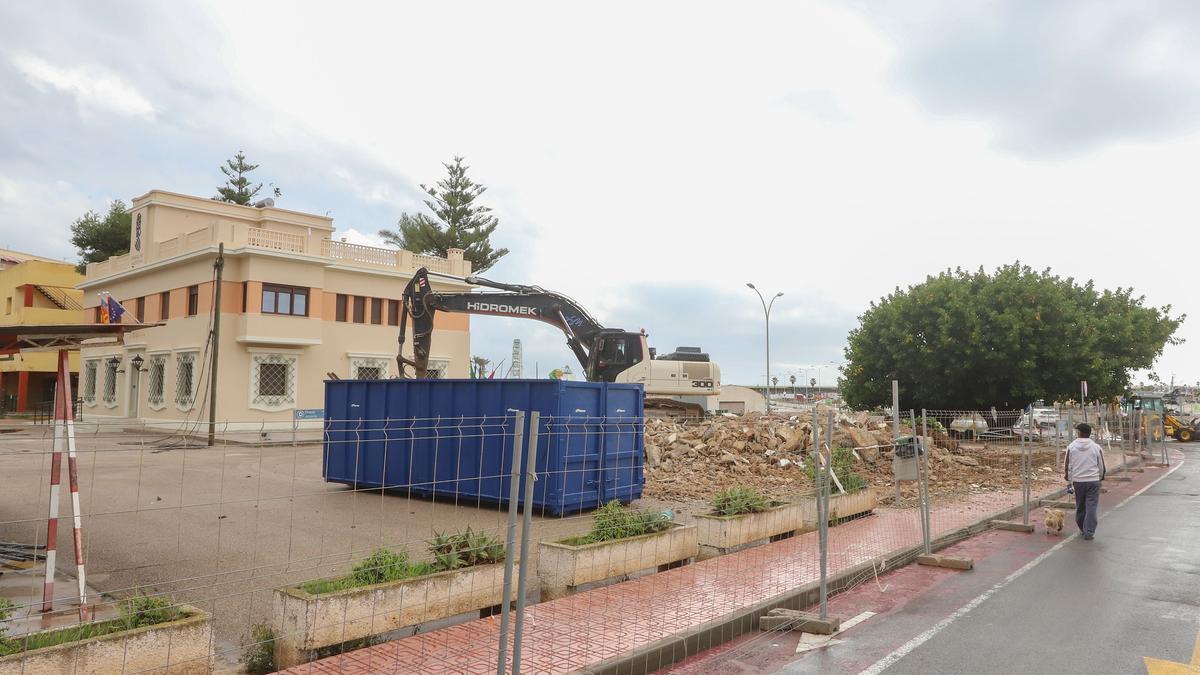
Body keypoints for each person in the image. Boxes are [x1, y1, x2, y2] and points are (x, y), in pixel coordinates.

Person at [1064, 422, 1105, 540]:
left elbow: (1067, 465)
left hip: (1078, 481)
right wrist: (1100, 478)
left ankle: (1082, 527)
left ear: (1079, 433)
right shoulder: (1096, 447)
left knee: (1080, 505)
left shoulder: (1071, 447)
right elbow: (1101, 465)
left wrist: (1068, 481)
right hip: (1093, 480)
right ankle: (1089, 531)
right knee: (1091, 506)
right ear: (1089, 434)